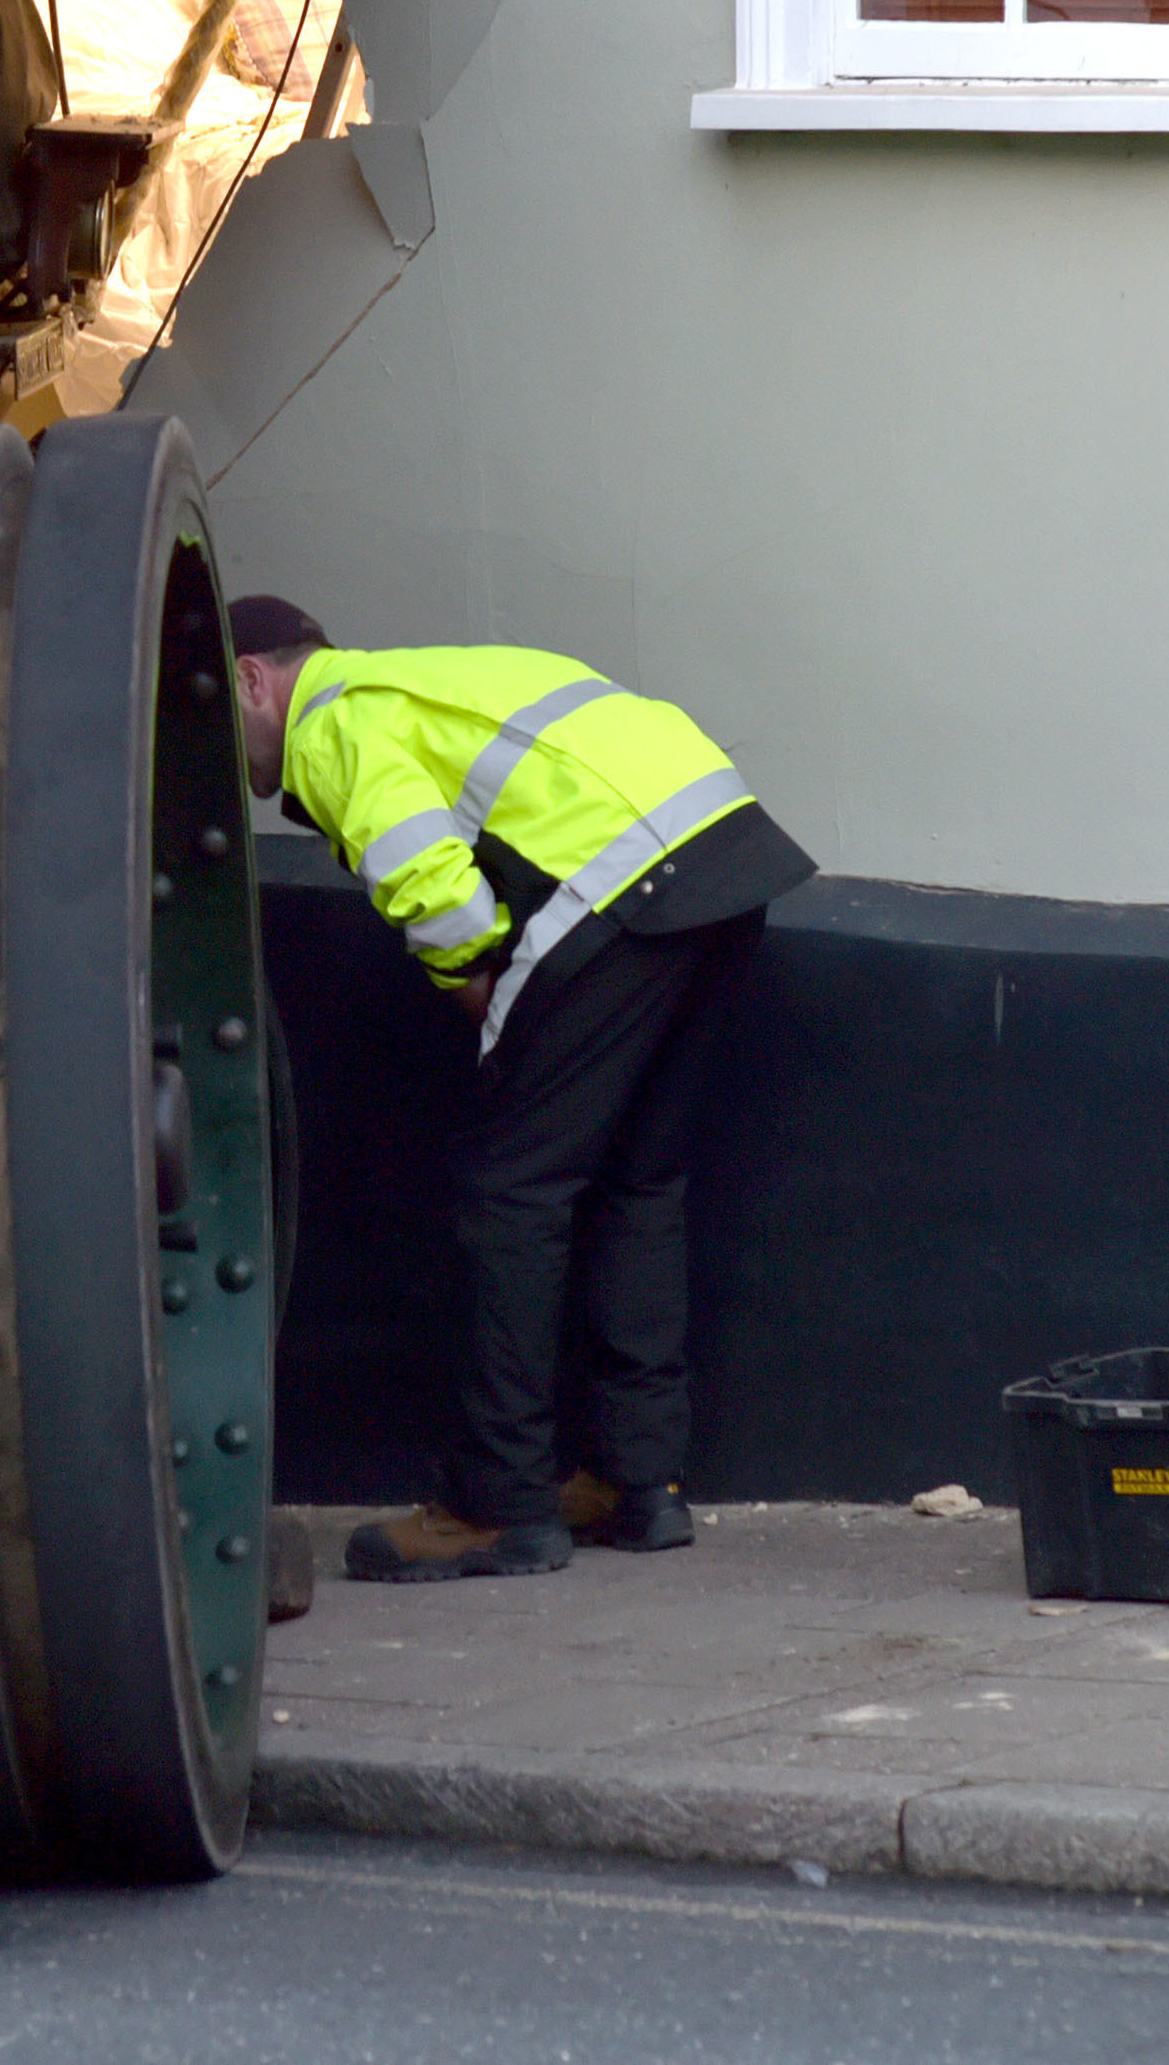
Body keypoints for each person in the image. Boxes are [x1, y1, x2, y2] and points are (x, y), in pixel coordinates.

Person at [228, 596, 813, 1581]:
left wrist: (480, 987)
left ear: (251, 677)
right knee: (636, 1178)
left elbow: (434, 884)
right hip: (722, 849)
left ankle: (498, 1503)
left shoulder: (335, 719)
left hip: (625, 881)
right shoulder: (434, 673)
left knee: (508, 1194)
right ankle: (640, 1482)